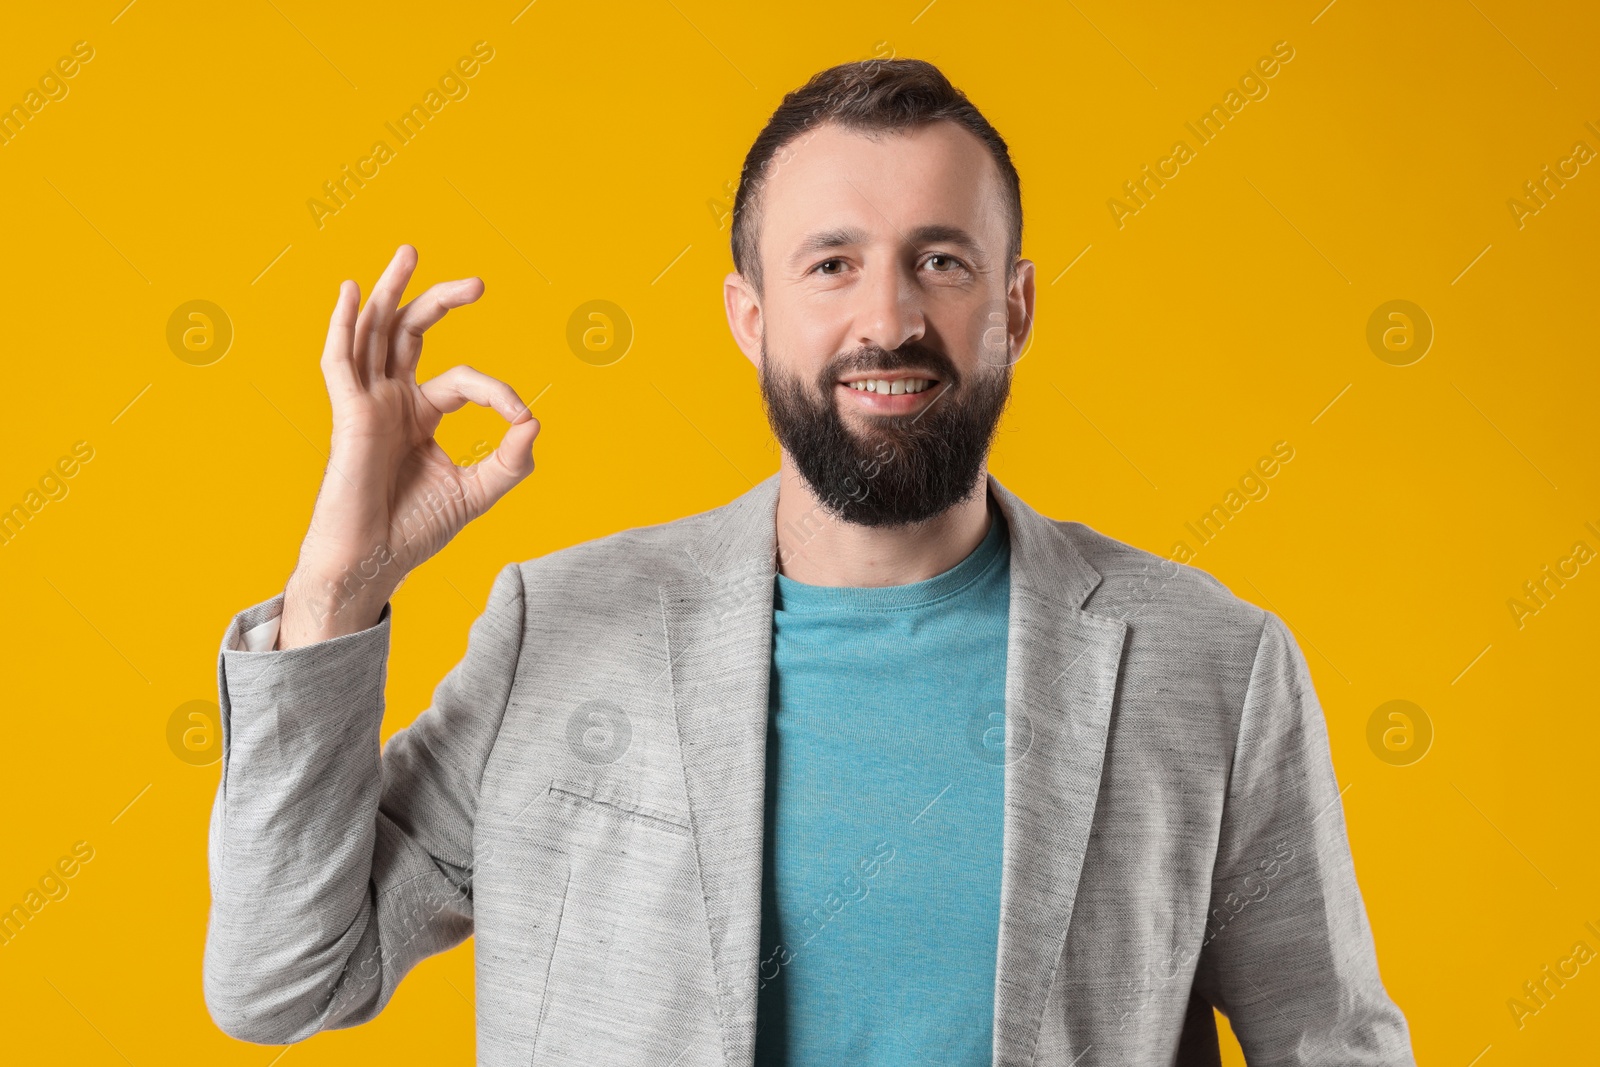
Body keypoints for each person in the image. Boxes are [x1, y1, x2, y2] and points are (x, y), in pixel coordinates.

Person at [202, 58, 1415, 1066]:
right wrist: (337, 588)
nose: (886, 320)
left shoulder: (1209, 662)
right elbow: (280, 976)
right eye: (830, 264)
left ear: (1017, 307)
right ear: (749, 315)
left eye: (941, 260)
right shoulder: (560, 628)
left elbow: (1332, 1040)